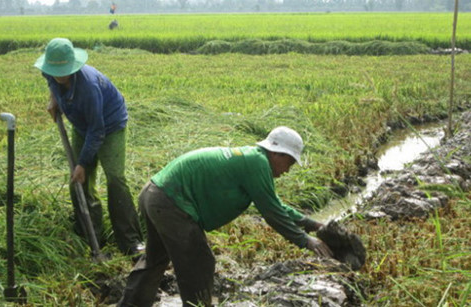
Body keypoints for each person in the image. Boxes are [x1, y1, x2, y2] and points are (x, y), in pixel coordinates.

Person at [118, 126, 333, 307]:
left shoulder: (253, 159)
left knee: (156, 259)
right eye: (290, 163)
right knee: (199, 261)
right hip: (170, 201)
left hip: (155, 193)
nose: (288, 170)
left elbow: (276, 205)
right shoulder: (257, 163)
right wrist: (305, 240)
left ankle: (131, 304)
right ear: (278, 154)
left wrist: (311, 224)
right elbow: (272, 213)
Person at [34, 38, 144, 256]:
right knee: (78, 181)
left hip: (109, 126)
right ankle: (91, 238)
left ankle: (130, 241)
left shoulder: (88, 86)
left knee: (115, 179)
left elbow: (98, 130)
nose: (58, 75)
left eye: (63, 70)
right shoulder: (49, 72)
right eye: (54, 70)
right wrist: (54, 99)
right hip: (82, 125)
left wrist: (83, 163)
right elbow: (51, 83)